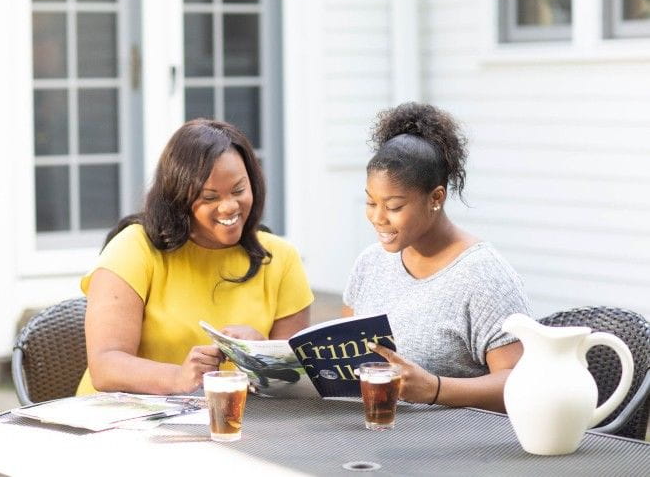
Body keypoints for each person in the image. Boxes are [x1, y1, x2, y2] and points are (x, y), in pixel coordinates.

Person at [77, 119, 314, 395]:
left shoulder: (280, 258)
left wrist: (263, 352)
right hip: (121, 421)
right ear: (178, 198)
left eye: (238, 190)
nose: (229, 207)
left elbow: (292, 386)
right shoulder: (133, 248)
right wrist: (178, 377)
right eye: (210, 197)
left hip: (231, 423)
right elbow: (105, 366)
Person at [342, 102, 532, 412]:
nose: (378, 218)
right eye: (370, 202)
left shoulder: (484, 277)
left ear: (436, 198)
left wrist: (435, 388)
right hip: (371, 433)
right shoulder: (369, 264)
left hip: (455, 449)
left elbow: (521, 382)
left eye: (393, 207)